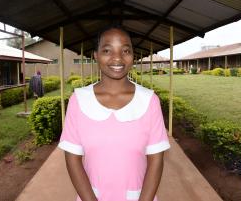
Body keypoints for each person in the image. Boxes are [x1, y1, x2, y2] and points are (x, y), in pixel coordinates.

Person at [58, 26, 170, 201]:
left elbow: (156, 160)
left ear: (133, 55)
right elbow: (72, 159)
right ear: (96, 55)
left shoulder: (149, 100)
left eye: (125, 50)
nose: (117, 57)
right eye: (107, 50)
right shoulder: (79, 100)